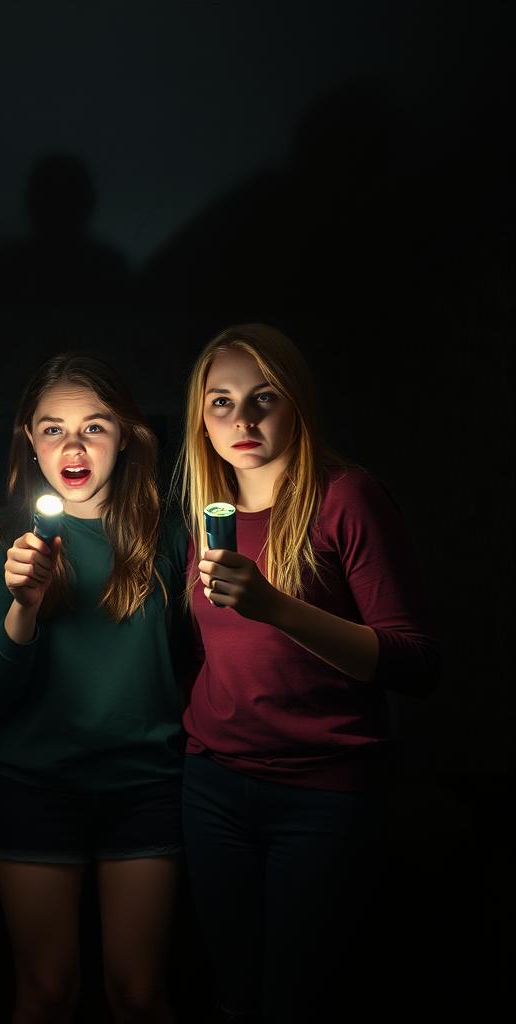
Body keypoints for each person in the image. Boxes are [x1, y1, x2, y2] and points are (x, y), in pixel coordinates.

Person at [176, 323, 439, 1024]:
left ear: (296, 403)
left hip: (324, 794)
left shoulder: (345, 498)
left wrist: (274, 606)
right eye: (222, 402)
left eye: (263, 397)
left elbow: (414, 661)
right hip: (213, 785)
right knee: (230, 993)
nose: (244, 419)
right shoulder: (207, 516)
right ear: (201, 419)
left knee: (298, 999)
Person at [0, 352, 186, 1024]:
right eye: (54, 428)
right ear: (30, 440)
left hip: (146, 786)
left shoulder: (167, 536)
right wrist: (23, 606)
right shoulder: (0, 535)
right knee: (47, 993)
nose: (74, 445)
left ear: (125, 435)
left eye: (94, 427)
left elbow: (199, 664)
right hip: (34, 787)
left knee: (139, 995)